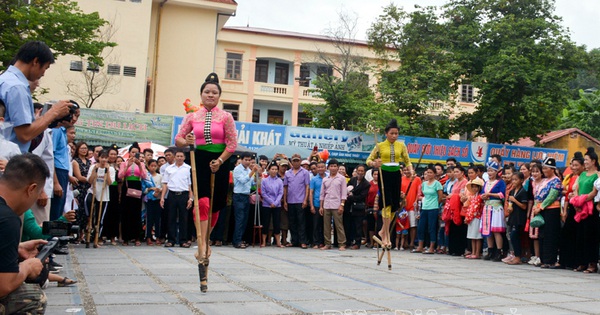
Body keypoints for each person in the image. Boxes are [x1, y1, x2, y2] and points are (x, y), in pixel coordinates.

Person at [175, 73, 236, 268]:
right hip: (199, 160)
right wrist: (187, 141)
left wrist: (219, 161)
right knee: (202, 202)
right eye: (207, 92)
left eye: (214, 92)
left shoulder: (226, 117)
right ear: (201, 94)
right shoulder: (192, 116)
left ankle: (205, 240)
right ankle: (202, 244)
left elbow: (232, 144)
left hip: (221, 161)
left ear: (219, 96)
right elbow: (178, 139)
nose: (210, 95)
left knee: (216, 204)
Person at [0, 41, 72, 153]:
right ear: (36, 61)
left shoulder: (4, 79)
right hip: (8, 162)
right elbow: (24, 135)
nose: (43, 74)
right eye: (45, 68)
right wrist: (53, 112)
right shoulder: (17, 87)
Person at [0, 153, 50, 314]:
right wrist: (27, 266)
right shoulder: (7, 219)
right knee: (32, 297)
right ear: (31, 189)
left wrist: (17, 247)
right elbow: (4, 285)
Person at [366, 118, 412, 247]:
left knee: (394, 204)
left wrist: (411, 170)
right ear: (386, 133)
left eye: (396, 133)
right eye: (391, 133)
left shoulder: (401, 145)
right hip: (384, 174)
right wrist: (374, 163)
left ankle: (383, 231)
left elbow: (407, 161)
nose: (394, 136)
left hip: (396, 174)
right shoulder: (380, 146)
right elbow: (368, 160)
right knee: (385, 203)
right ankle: (385, 233)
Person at [572, 148, 599, 273]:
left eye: (587, 160)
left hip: (590, 208)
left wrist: (582, 200)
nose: (585, 162)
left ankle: (592, 263)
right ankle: (581, 262)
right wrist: (577, 200)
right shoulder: (582, 174)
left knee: (590, 236)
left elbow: (594, 192)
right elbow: (576, 188)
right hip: (580, 207)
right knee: (580, 235)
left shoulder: (597, 175)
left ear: (593, 161)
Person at [556, 152, 584, 269]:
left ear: (583, 166)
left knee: (577, 235)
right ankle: (564, 261)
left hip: (581, 207)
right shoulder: (571, 177)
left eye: (576, 165)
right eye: (572, 165)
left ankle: (575, 262)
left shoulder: (584, 177)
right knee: (566, 234)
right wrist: (564, 211)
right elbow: (567, 195)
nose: (573, 167)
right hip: (571, 207)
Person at [160, 150, 193, 248]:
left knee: (184, 218)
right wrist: (162, 197)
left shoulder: (188, 169)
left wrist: (190, 198)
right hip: (172, 194)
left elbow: (190, 185)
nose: (179, 158)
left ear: (184, 157)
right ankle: (171, 240)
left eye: (181, 156)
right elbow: (165, 183)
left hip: (184, 194)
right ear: (175, 157)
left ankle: (183, 240)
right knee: (171, 218)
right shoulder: (169, 169)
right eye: (177, 156)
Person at [118, 143, 147, 246]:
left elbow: (144, 176)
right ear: (129, 153)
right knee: (126, 212)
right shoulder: (124, 163)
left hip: (137, 186)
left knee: (136, 212)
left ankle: (136, 237)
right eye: (132, 152)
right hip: (127, 186)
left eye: (136, 152)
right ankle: (125, 238)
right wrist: (128, 166)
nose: (134, 154)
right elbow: (120, 176)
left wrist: (139, 165)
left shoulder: (142, 164)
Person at [85, 150, 115, 246]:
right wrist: (95, 170)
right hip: (92, 192)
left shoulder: (111, 169)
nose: (104, 160)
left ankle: (96, 238)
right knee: (89, 213)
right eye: (102, 157)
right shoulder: (93, 167)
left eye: (106, 158)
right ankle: (88, 231)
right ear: (99, 158)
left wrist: (107, 172)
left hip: (104, 195)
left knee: (100, 217)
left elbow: (110, 183)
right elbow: (89, 181)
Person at [481, 159, 507, 262]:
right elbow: (482, 193)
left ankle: (499, 251)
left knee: (496, 230)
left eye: (492, 171)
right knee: (488, 231)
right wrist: (483, 196)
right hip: (487, 207)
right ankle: (490, 250)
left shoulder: (500, 182)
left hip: (496, 208)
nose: (490, 173)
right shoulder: (486, 182)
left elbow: (502, 195)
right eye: (489, 170)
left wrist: (490, 195)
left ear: (496, 172)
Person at [413, 165, 443, 254]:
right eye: (427, 173)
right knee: (421, 227)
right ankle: (420, 246)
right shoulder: (424, 184)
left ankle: (431, 247)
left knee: (432, 228)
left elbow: (440, 197)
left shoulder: (437, 184)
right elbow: (423, 195)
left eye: (431, 173)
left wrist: (436, 204)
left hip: (433, 208)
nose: (429, 174)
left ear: (434, 174)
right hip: (424, 207)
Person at [232, 152, 259, 249]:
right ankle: (237, 241)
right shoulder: (237, 169)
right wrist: (252, 172)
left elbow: (252, 184)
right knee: (240, 219)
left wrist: (256, 175)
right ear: (242, 159)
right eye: (246, 160)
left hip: (246, 195)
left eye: (249, 160)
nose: (248, 162)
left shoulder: (248, 170)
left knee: (244, 219)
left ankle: (240, 239)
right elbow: (243, 181)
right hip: (239, 195)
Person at [319, 159, 347, 251]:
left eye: (335, 166)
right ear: (328, 167)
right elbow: (322, 194)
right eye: (331, 166)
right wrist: (321, 206)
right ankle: (327, 243)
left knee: (339, 225)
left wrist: (342, 205)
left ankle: (342, 243)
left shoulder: (341, 178)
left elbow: (343, 193)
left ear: (337, 167)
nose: (333, 168)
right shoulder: (325, 179)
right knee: (326, 225)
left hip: (337, 204)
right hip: (326, 204)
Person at [283, 153, 310, 248]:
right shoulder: (287, 173)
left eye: (297, 160)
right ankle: (294, 240)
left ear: (300, 161)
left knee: (301, 222)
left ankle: (303, 241)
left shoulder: (305, 172)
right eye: (294, 160)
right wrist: (285, 201)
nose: (295, 162)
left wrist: (305, 200)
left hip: (300, 200)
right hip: (290, 201)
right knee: (292, 222)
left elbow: (307, 186)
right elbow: (285, 187)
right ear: (291, 162)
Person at [504, 172, 529, 265]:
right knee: (511, 235)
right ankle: (515, 255)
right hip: (513, 216)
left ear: (521, 180)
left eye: (516, 179)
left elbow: (524, 206)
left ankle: (518, 256)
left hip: (519, 217)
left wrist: (515, 200)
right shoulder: (512, 191)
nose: (513, 181)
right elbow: (510, 203)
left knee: (515, 235)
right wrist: (509, 207)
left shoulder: (523, 192)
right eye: (513, 179)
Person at [345, 164, 370, 249]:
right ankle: (348, 241)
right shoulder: (352, 180)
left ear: (364, 172)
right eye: (358, 171)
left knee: (358, 226)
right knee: (348, 225)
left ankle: (357, 243)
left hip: (359, 208)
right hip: (349, 206)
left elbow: (362, 196)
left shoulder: (366, 184)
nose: (360, 172)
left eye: (362, 171)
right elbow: (347, 188)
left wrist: (352, 196)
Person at [260, 162, 284, 248]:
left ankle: (278, 242)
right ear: (269, 170)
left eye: (275, 169)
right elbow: (263, 193)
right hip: (267, 205)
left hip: (277, 205)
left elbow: (281, 193)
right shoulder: (264, 180)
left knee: (277, 223)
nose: (274, 171)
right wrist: (271, 202)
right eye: (272, 169)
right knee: (265, 223)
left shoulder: (279, 181)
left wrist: (276, 203)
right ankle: (264, 241)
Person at [72, 141, 91, 237]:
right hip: (79, 188)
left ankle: (83, 234)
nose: (84, 150)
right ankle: (77, 234)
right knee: (78, 211)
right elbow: (79, 177)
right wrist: (90, 179)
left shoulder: (89, 162)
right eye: (82, 148)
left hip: (88, 189)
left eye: (85, 148)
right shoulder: (75, 161)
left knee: (86, 212)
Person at [401, 166, 422, 251]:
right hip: (404, 205)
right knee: (404, 224)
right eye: (405, 170)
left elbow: (419, 192)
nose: (407, 171)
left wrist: (416, 202)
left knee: (413, 225)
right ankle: (404, 242)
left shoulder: (417, 179)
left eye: (408, 169)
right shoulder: (402, 179)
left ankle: (412, 242)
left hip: (413, 205)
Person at [142, 159, 162, 245]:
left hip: (157, 199)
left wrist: (158, 191)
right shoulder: (146, 177)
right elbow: (144, 190)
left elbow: (163, 187)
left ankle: (158, 236)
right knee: (149, 219)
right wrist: (151, 189)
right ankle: (148, 237)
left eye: (155, 166)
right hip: (149, 200)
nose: (153, 167)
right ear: (148, 166)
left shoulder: (160, 176)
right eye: (151, 166)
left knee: (158, 219)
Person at [464, 177, 484, 259]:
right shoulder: (472, 196)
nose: (474, 188)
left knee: (477, 236)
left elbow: (476, 208)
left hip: (477, 217)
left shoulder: (480, 197)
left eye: (476, 187)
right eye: (473, 187)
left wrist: (469, 217)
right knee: (472, 236)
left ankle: (477, 252)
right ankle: (473, 252)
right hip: (471, 217)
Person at [309, 161, 327, 249]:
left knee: (325, 225)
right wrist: (311, 205)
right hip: (316, 203)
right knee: (316, 224)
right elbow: (311, 192)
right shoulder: (314, 179)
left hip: (326, 204)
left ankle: (323, 242)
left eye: (322, 167)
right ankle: (315, 242)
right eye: (318, 167)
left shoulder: (328, 178)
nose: (320, 169)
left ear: (325, 168)